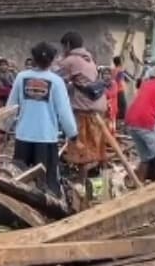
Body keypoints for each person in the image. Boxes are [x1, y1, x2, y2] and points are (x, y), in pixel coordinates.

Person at [7, 41, 77, 195]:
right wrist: (72, 133)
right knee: (46, 183)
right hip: (45, 138)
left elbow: (11, 107)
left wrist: (3, 128)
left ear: (33, 58)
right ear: (52, 60)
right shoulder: (56, 82)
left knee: (20, 180)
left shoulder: (21, 77)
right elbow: (64, 111)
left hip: (23, 136)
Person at [57, 32, 108, 168]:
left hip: (83, 109)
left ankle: (81, 179)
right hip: (98, 107)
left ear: (67, 45)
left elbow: (54, 79)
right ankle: (98, 174)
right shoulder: (89, 58)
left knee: (82, 149)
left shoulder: (71, 60)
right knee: (95, 146)